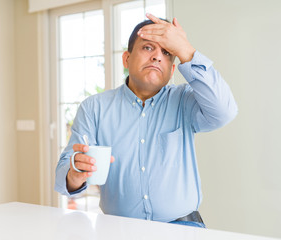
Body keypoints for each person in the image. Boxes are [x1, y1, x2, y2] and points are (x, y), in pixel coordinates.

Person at [54, 13, 238, 228]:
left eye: (167, 52)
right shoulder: (94, 107)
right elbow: (62, 177)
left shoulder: (186, 101)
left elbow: (225, 111)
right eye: (148, 48)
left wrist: (186, 50)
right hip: (117, 229)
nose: (157, 57)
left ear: (171, 70)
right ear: (126, 58)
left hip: (183, 229)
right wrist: (74, 173)